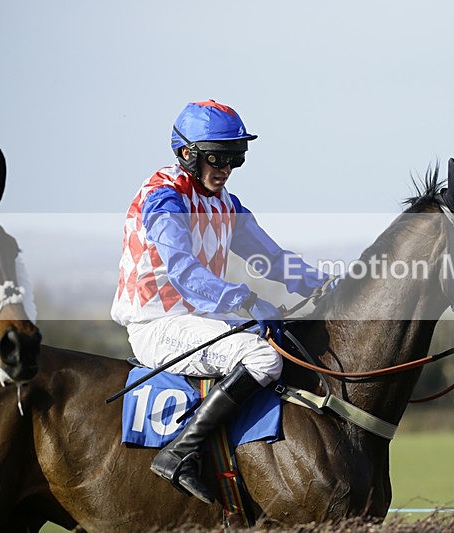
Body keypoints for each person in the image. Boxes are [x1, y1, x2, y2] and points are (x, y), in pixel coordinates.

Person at [111, 99, 334, 504]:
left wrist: (328, 284)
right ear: (186, 153)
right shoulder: (163, 198)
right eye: (217, 157)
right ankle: (179, 452)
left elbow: (272, 258)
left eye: (236, 158)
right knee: (262, 359)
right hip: (156, 325)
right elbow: (184, 272)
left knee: (288, 341)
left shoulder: (225, 203)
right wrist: (246, 299)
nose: (226, 168)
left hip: (199, 320)